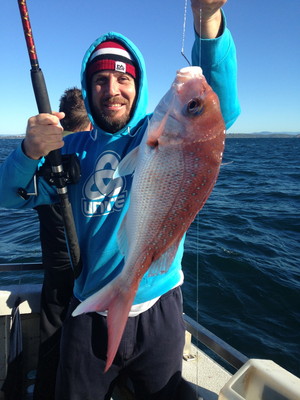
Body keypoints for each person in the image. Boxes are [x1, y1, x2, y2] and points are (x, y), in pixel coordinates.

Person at [0, 1, 240, 398]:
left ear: (139, 84)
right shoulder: (69, 151)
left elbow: (220, 111)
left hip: (160, 307)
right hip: (90, 308)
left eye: (123, 78)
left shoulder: (157, 132)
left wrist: (208, 21)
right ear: (87, 86)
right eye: (99, 80)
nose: (111, 89)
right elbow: (8, 197)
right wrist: (26, 153)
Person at [33, 88, 91, 400]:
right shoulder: (93, 152)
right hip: (90, 271)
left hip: (55, 265)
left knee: (51, 341)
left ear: (61, 113)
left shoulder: (43, 154)